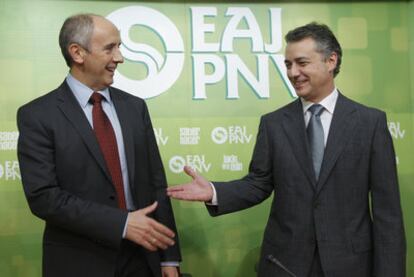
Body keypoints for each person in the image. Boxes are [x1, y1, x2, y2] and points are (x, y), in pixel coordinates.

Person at [167, 22, 406, 277]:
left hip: (350, 265)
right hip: (285, 265)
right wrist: (214, 191)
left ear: (331, 61)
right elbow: (258, 184)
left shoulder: (369, 123)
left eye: (302, 63)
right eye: (288, 65)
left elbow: (387, 213)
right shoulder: (273, 124)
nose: (293, 73)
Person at [17, 14, 181, 277]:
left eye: (119, 47)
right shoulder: (38, 115)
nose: (119, 58)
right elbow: (44, 198)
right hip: (78, 261)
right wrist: (122, 223)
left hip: (142, 260)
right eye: (109, 48)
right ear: (77, 53)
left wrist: (168, 259)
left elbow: (155, 184)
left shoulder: (135, 107)